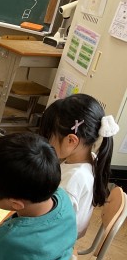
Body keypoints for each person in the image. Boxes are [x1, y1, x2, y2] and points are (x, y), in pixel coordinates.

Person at [39, 93, 119, 237]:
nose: (46, 143)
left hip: (53, 241)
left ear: (71, 140)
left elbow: (49, 224)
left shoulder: (73, 179)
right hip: (60, 236)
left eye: (48, 137)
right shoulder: (91, 160)